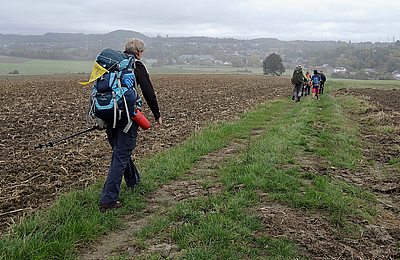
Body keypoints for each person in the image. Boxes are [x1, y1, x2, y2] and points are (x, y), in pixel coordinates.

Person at [99, 38, 162, 211]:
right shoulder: (136, 66)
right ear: (139, 53)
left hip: (108, 113)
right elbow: (149, 92)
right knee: (121, 155)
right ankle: (108, 200)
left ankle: (134, 182)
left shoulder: (112, 64)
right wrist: (157, 115)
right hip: (127, 116)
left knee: (120, 151)